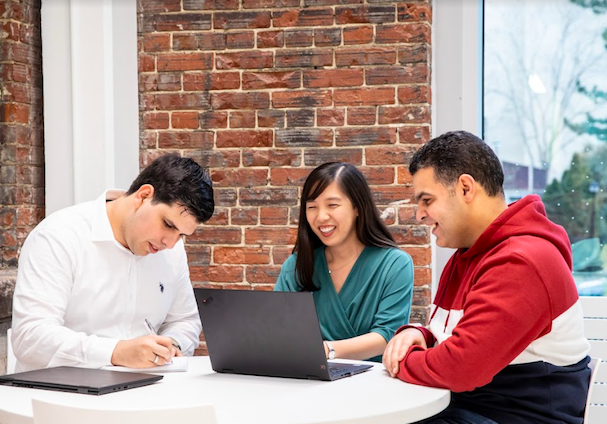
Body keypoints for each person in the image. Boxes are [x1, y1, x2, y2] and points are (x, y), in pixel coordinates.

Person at [383, 131, 591, 424]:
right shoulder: (469, 255)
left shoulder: (521, 261)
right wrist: (422, 335)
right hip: (473, 408)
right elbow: (460, 340)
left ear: (465, 188)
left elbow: (461, 368)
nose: (419, 215)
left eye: (427, 200)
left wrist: (401, 361)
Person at [11, 154, 214, 372]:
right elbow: (30, 336)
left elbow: (184, 320)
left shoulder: (171, 251)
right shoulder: (58, 237)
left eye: (181, 235)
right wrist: (116, 352)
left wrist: (172, 345)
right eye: (168, 225)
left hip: (148, 387)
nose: (170, 243)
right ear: (143, 196)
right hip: (59, 387)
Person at [274, 162, 414, 362]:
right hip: (307, 377)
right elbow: (278, 329)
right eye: (312, 207)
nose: (321, 216)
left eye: (332, 205)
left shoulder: (394, 264)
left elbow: (387, 335)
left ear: (357, 207)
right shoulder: (296, 266)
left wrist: (327, 350)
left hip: (372, 379)